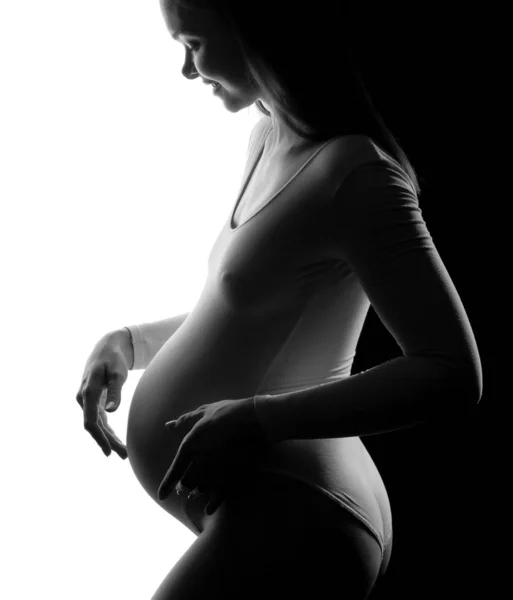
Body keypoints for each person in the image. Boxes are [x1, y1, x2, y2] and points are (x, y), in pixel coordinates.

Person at [75, 1, 483, 598]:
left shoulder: (356, 173)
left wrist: (262, 419)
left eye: (192, 42)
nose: (187, 70)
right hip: (265, 503)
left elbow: (452, 371)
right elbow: (245, 310)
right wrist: (128, 343)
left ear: (255, 30)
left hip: (305, 514)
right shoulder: (267, 135)